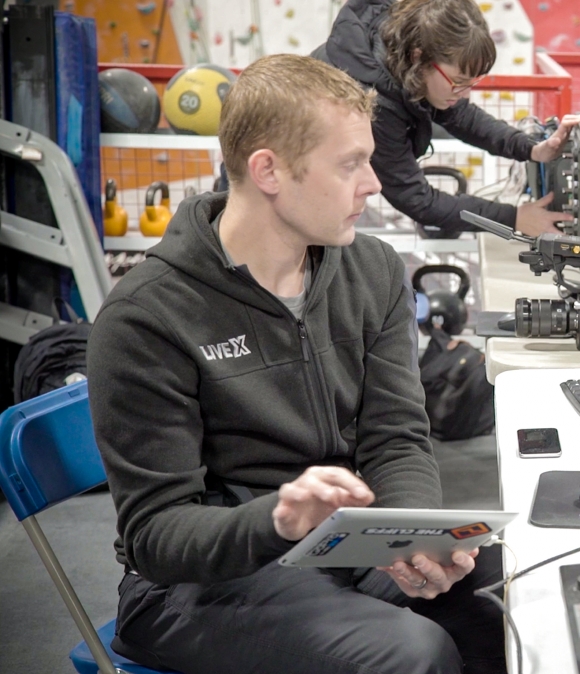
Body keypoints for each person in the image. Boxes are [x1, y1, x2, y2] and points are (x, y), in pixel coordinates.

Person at [88, 54, 504, 674]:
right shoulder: (146, 316)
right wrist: (279, 517)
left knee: (512, 590)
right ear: (268, 171)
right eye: (349, 165)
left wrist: (407, 536)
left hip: (340, 542)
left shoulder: (373, 270)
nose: (374, 184)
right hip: (197, 582)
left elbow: (396, 436)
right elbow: (156, 536)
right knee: (414, 654)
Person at [315, 0, 580, 238]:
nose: (465, 94)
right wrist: (515, 218)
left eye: (471, 83)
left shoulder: (401, 50)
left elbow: (461, 115)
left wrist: (531, 148)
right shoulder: (374, 104)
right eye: (458, 83)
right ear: (419, 57)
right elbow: (418, 199)